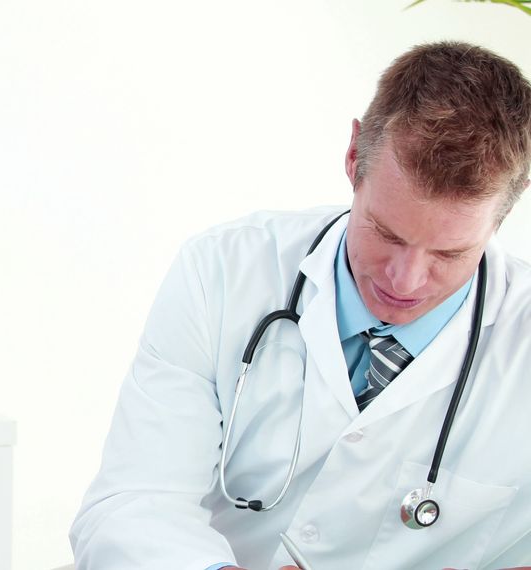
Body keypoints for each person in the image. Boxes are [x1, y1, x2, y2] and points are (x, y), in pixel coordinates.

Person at [70, 41, 531, 569]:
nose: (405, 280)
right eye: (385, 233)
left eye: (450, 253)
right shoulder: (223, 271)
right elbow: (132, 504)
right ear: (355, 155)